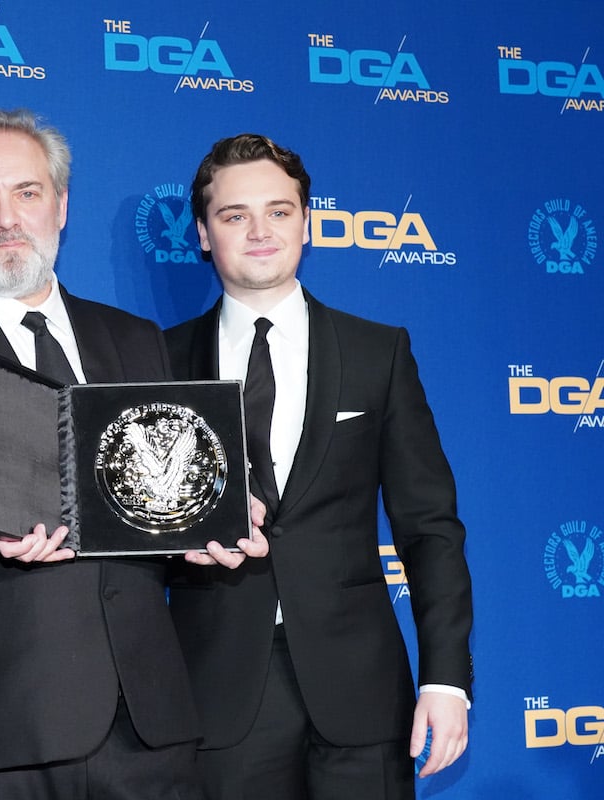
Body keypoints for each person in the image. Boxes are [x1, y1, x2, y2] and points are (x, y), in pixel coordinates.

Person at [0, 109, 267, 800]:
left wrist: (200, 532)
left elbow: (154, 506)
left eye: (28, 192)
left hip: (146, 729)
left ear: (62, 206)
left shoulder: (137, 342)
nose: (7, 217)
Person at [165, 133, 473, 800]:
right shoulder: (157, 361)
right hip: (216, 691)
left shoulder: (378, 353)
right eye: (233, 215)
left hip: (360, 695)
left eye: (278, 211)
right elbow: (132, 534)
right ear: (201, 233)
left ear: (307, 223)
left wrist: (445, 681)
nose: (259, 232)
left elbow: (430, 528)